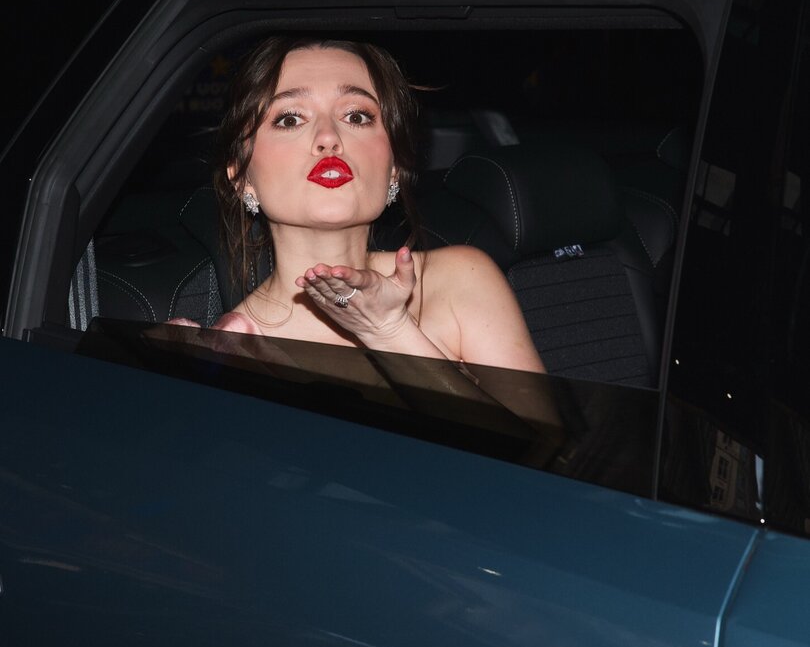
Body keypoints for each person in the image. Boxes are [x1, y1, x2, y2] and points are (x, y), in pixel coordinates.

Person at [168, 36, 560, 448]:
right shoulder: (234, 352)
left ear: (394, 167)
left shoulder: (461, 279)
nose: (328, 137)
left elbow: (549, 460)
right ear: (241, 176)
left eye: (356, 116)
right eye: (290, 119)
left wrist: (391, 332)